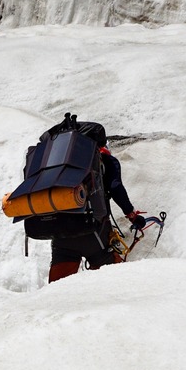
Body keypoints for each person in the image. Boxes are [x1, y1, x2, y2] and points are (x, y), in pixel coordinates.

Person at [48, 121, 146, 282]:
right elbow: (116, 188)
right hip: (93, 231)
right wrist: (132, 215)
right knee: (114, 280)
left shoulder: (57, 162)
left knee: (57, 286)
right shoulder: (105, 160)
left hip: (60, 233)